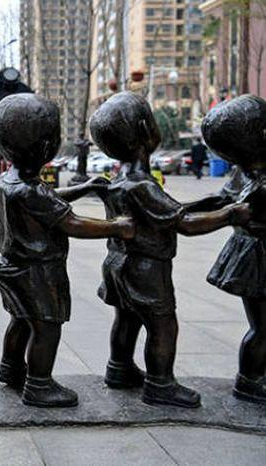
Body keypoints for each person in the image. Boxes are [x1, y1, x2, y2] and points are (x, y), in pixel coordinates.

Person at [89, 92, 251, 409]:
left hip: (118, 262)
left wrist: (212, 203)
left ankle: (119, 368)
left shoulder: (118, 181)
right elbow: (184, 223)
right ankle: (160, 384)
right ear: (145, 129)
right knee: (162, 324)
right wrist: (230, 214)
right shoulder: (143, 185)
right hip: (146, 268)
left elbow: (171, 210)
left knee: (126, 318)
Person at [0, 93, 135, 408]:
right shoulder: (32, 190)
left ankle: (10, 368)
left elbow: (50, 198)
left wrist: (85, 187)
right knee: (46, 325)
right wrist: (116, 226)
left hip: (14, 265)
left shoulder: (8, 181)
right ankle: (39, 384)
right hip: (40, 271)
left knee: (20, 319)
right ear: (46, 146)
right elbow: (73, 224)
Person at [191, 95, 264, 404]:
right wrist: (181, 212)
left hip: (251, 253)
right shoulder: (255, 181)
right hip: (257, 258)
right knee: (263, 328)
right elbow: (224, 203)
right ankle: (249, 380)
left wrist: (182, 209)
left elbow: (220, 199)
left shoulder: (245, 171)